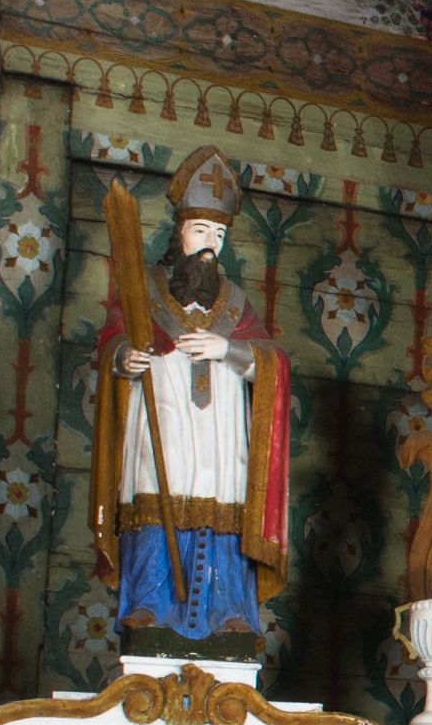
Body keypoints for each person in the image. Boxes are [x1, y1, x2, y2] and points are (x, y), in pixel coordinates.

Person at [91, 151, 292, 660]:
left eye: (218, 235)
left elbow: (271, 360)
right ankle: (149, 604)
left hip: (219, 433)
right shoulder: (144, 290)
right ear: (178, 231)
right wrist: (125, 358)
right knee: (155, 494)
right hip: (160, 417)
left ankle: (228, 609)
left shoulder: (236, 302)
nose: (210, 245)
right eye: (200, 230)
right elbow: (112, 342)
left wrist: (228, 350)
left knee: (221, 502)